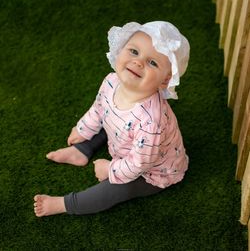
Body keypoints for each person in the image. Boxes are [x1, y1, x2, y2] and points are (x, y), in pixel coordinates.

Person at [34, 21, 190, 217]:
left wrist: (110, 169)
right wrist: (83, 129)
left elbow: (139, 164)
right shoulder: (111, 81)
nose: (138, 62)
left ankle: (66, 204)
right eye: (134, 52)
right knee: (109, 119)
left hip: (151, 171)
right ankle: (82, 151)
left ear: (165, 80)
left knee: (118, 188)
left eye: (152, 62)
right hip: (127, 143)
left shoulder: (151, 121)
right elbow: (99, 109)